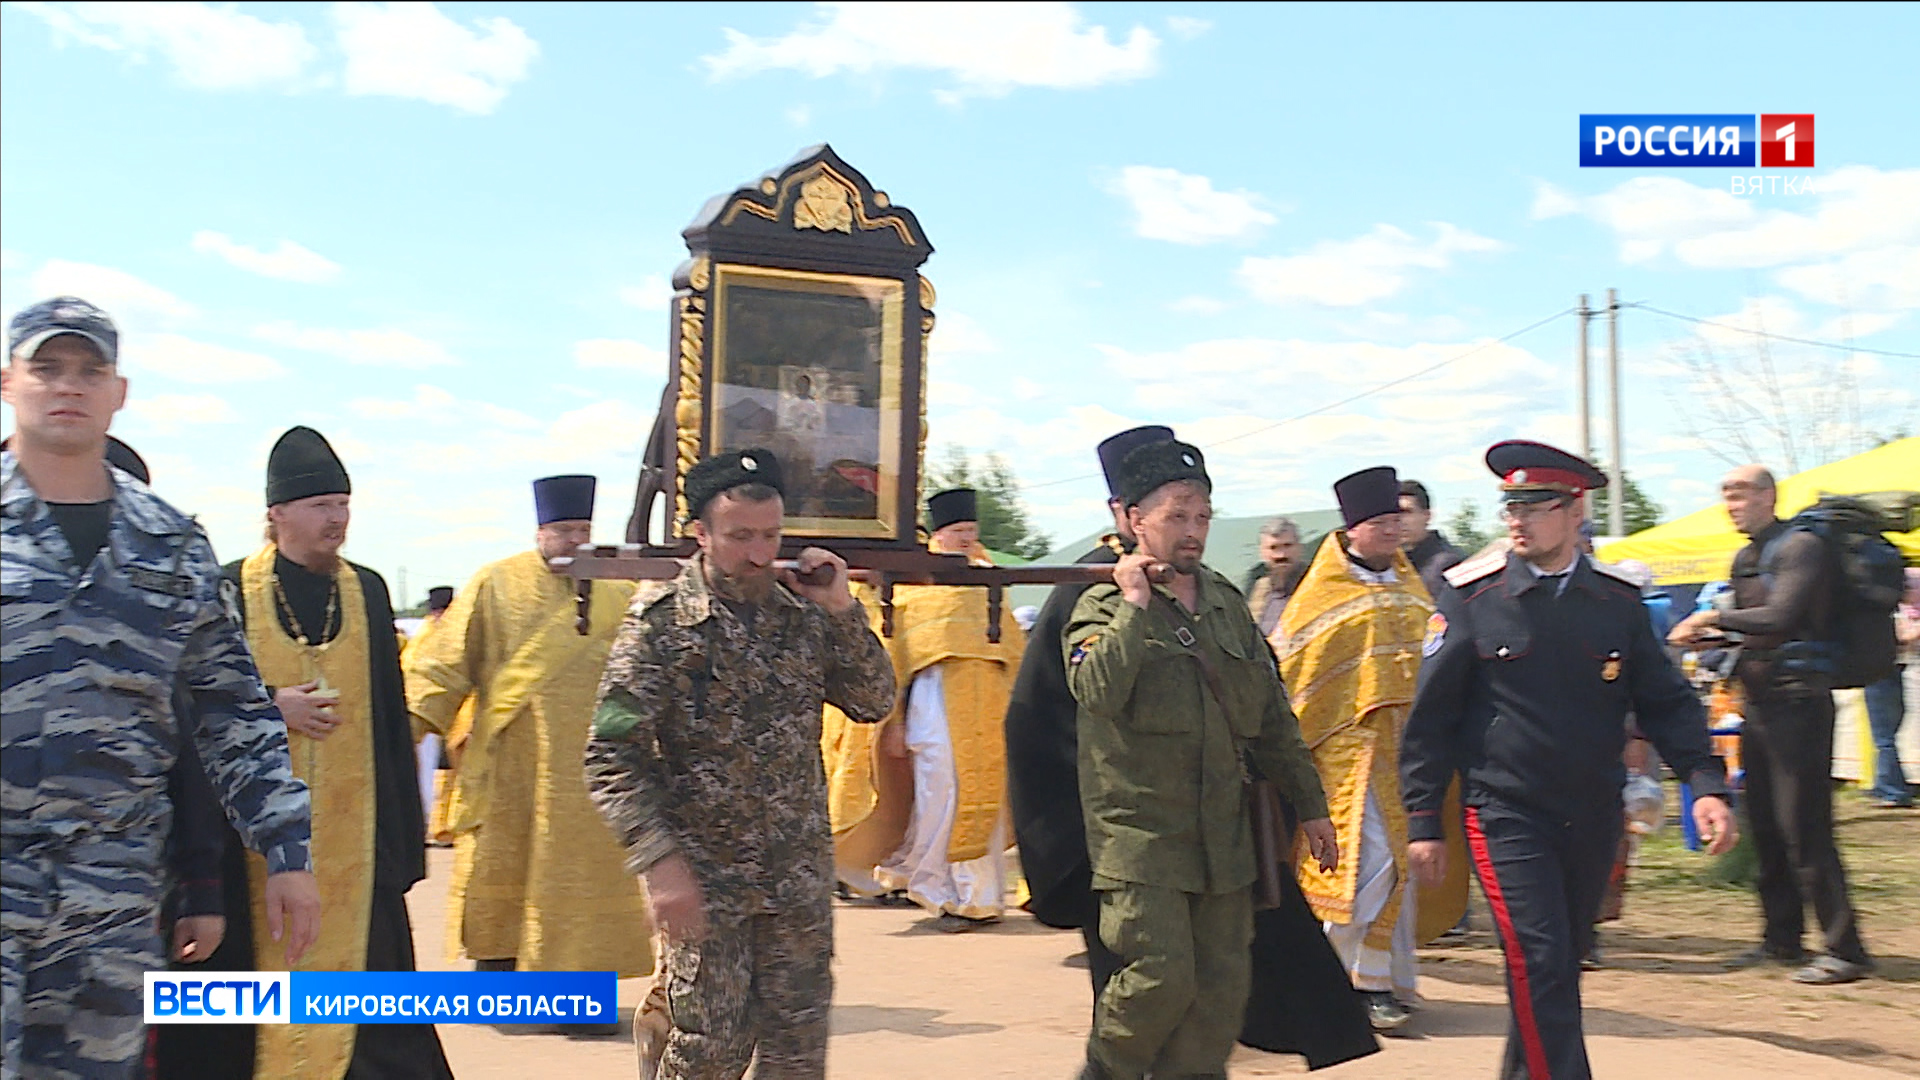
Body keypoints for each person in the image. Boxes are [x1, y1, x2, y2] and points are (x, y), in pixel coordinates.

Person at [2, 297, 320, 1080]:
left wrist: (285, 849)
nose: (67, 385)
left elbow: (232, 709)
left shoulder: (170, 545)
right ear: (9, 383)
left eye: (90, 371)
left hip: (112, 895)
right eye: (47, 368)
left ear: (119, 393)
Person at [1004, 425, 1377, 1072]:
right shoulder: (1097, 599)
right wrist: (1134, 607)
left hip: (1224, 842)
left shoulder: (1227, 602)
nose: (1193, 531)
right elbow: (1091, 693)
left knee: (1218, 998)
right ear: (1131, 518)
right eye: (1176, 515)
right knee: (1156, 983)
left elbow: (1271, 717)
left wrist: (1312, 806)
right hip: (1141, 842)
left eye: (1202, 515)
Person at [1404, 439, 1737, 1080]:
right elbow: (1430, 721)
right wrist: (1423, 819)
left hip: (1590, 813)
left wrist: (1706, 784)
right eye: (1510, 507)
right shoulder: (1470, 599)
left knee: (1560, 961)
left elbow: (1666, 702)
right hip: (1504, 812)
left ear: (1575, 511)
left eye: (1533, 506)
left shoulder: (1617, 603)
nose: (1517, 521)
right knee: (1540, 958)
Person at [585, 449, 896, 1080]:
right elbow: (610, 756)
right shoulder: (662, 627)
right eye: (740, 537)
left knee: (797, 1054)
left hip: (797, 882)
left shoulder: (805, 616)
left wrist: (842, 610)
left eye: (771, 535)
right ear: (701, 533)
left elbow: (873, 701)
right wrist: (662, 867)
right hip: (708, 885)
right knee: (708, 1052)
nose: (759, 554)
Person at [159, 426, 450, 1080]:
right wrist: (271, 705)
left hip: (357, 843)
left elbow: (387, 717)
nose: (337, 518)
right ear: (278, 514)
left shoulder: (368, 590)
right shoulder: (230, 586)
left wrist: (401, 845)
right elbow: (193, 697)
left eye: (343, 504)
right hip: (249, 847)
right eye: (321, 505)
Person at [404, 476, 654, 1012]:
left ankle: (583, 998)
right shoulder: (496, 583)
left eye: (583, 530)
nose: (574, 541)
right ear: (541, 531)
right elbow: (444, 663)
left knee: (582, 882)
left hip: (594, 772)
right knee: (504, 868)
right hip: (512, 762)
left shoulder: (620, 591)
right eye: (564, 531)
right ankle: (499, 985)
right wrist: (408, 727)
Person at [1274, 466, 1466, 1032]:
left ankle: (1376, 984)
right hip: (1344, 757)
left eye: (1396, 521)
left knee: (1398, 867)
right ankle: (1328, 983)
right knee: (1362, 865)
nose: (1391, 530)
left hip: (1406, 752)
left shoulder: (1412, 588)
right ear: (1352, 528)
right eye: (1379, 522)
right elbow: (1294, 675)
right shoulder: (1321, 593)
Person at [1668, 465, 1875, 984]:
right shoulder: (1748, 556)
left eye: (1741, 494)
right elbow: (1755, 630)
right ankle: (1781, 940)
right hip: (1759, 704)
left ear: (1769, 496)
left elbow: (1782, 616)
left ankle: (1845, 949)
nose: (1731, 505)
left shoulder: (1802, 547)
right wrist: (1712, 639)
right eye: (1726, 495)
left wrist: (1711, 618)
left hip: (1800, 702)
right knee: (1764, 824)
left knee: (1804, 826)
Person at [826, 488, 1026, 930]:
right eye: (958, 531)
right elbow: (897, 653)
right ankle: (939, 891)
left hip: (988, 707)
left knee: (988, 798)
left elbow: (1010, 647)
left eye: (971, 530)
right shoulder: (913, 580)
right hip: (934, 704)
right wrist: (894, 721)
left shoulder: (990, 576)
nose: (966, 538)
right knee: (939, 796)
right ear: (939, 534)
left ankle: (979, 897)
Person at [407, 585, 462, 845]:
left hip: (444, 711)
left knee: (443, 769)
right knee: (432, 769)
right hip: (422, 710)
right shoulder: (429, 633)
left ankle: (441, 825)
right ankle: (435, 825)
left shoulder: (431, 633)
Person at [1862, 568, 1918, 808]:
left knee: (1885, 736)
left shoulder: (1890, 613)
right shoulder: (1898, 612)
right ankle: (1888, 783)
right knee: (1886, 735)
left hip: (1884, 672)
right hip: (1888, 672)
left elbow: (1903, 637)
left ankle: (1892, 789)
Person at [1399, 479, 1464, 598]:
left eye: (1407, 512)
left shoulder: (1450, 563)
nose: (1399, 520)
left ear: (1427, 516)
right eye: (1394, 514)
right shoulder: (1391, 563)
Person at [1245, 516, 1305, 637]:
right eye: (1273, 548)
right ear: (1262, 552)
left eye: (1287, 545)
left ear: (1299, 547)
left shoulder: (1316, 584)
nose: (1281, 555)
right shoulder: (1258, 590)